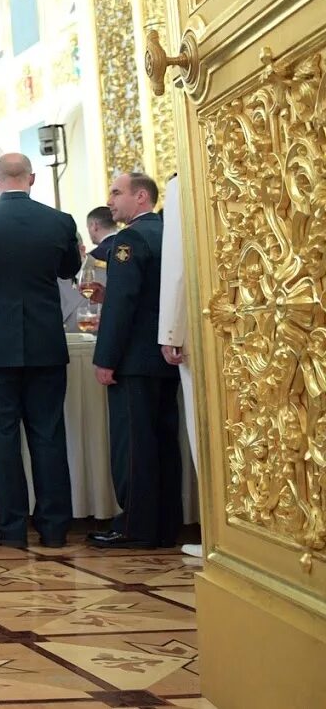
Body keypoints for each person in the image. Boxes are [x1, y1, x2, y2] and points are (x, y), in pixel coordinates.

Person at [0, 152, 82, 549]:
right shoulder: (59, 221)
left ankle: (9, 526)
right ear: (33, 179)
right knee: (48, 434)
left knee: (2, 436)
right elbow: (68, 269)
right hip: (45, 343)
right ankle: (55, 526)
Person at [89, 173, 182, 549]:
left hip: (132, 359)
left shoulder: (129, 240)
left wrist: (105, 358)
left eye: (116, 192)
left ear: (141, 197)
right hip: (164, 355)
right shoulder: (169, 234)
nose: (110, 200)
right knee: (163, 442)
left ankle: (133, 525)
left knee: (133, 444)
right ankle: (165, 523)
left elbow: (125, 305)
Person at [156, 173, 201, 557]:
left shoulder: (180, 185)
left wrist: (171, 330)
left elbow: (178, 268)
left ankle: (222, 532)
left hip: (197, 333)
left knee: (201, 430)